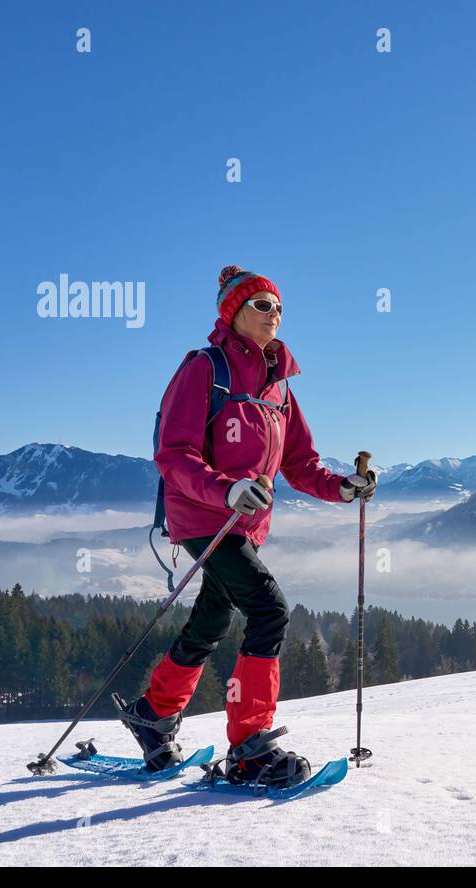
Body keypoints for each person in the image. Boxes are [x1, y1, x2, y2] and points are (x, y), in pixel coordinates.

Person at [119, 265, 375, 788]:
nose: (273, 315)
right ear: (232, 312)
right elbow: (173, 453)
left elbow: (301, 465)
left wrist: (342, 488)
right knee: (269, 609)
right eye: (261, 305)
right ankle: (249, 749)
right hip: (201, 515)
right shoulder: (205, 368)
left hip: (243, 524)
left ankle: (154, 710)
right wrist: (224, 489)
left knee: (213, 617)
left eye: (278, 307)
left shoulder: (280, 387)